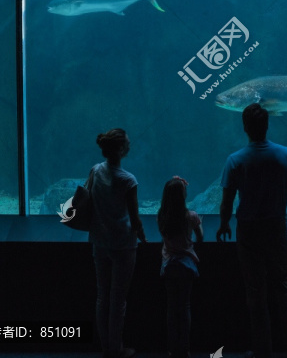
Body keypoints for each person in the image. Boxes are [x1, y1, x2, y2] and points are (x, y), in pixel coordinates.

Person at [216, 103, 287, 358]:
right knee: (283, 284)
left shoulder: (235, 160)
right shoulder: (286, 155)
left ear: (245, 127)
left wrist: (224, 224)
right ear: (267, 124)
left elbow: (227, 201)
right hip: (276, 226)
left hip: (248, 230)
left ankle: (262, 349)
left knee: (255, 289)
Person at [86, 128, 147, 358]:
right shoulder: (128, 180)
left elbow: (87, 200)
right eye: (127, 143)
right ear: (120, 150)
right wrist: (141, 235)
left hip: (99, 242)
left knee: (103, 296)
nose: (130, 145)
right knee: (118, 299)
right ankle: (117, 348)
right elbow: (134, 217)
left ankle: (105, 348)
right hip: (123, 244)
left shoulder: (95, 170)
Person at [157, 175, 204, 358]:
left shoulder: (161, 215)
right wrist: (199, 223)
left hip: (169, 265)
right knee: (184, 307)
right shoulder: (191, 216)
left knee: (171, 308)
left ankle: (171, 348)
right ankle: (184, 349)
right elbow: (200, 238)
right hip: (186, 266)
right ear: (183, 196)